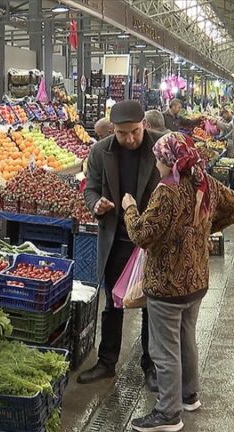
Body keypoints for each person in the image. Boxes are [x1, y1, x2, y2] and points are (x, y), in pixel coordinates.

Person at [125, 132, 234, 432]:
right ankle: (190, 396)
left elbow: (141, 235)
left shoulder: (167, 191)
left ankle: (168, 413)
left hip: (167, 285)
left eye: (158, 158)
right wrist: (201, 230)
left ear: (168, 160)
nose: (155, 163)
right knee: (186, 338)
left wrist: (129, 209)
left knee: (164, 350)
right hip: (197, 280)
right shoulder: (206, 182)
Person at [80, 100, 161, 390]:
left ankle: (151, 365)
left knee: (151, 305)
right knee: (113, 304)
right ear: (113, 129)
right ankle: (106, 362)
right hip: (116, 239)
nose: (129, 139)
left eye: (135, 132)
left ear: (144, 125)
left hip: (151, 243)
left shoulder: (159, 148)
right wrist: (96, 204)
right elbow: (90, 187)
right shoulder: (101, 151)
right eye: (122, 133)